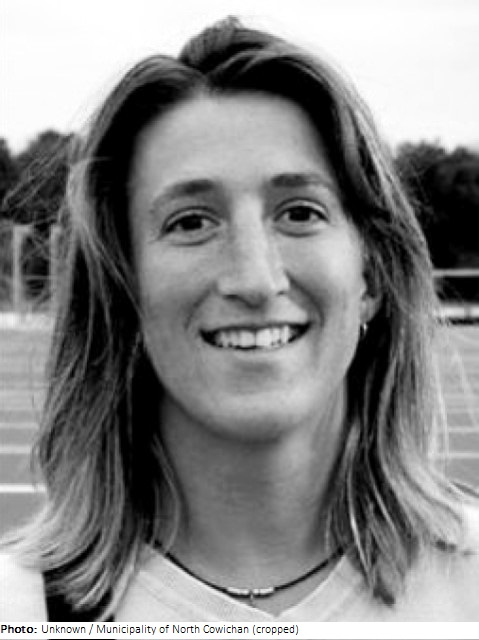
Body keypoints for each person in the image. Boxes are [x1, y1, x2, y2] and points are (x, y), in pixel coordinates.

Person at [1, 17, 478, 622]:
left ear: (373, 275)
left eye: (299, 212)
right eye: (191, 222)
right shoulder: (20, 610)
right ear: (123, 286)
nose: (255, 279)